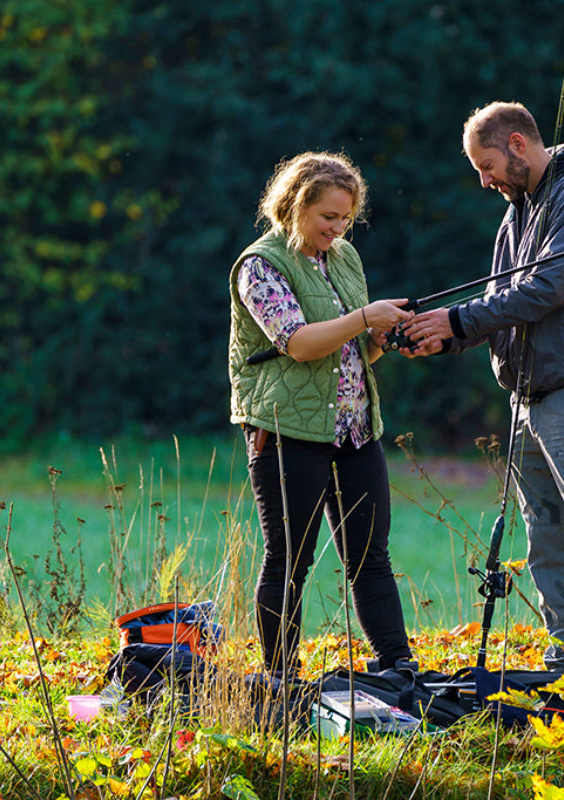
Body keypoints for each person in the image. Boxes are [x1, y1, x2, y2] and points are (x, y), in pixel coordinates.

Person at [402, 102, 564, 679]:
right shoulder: (516, 213)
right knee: (547, 533)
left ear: (518, 144)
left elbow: (549, 286)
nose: (485, 180)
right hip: (526, 400)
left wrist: (458, 320)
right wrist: (444, 338)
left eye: (488, 164)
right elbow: (503, 300)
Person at [228, 150, 415, 677]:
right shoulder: (260, 265)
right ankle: (281, 676)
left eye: (346, 219)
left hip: (356, 428)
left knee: (370, 556)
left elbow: (357, 347)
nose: (337, 228)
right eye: (327, 217)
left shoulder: (345, 258)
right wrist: (363, 318)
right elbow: (299, 343)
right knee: (290, 559)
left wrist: (386, 336)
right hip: (287, 431)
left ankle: (398, 666)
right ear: (294, 206)